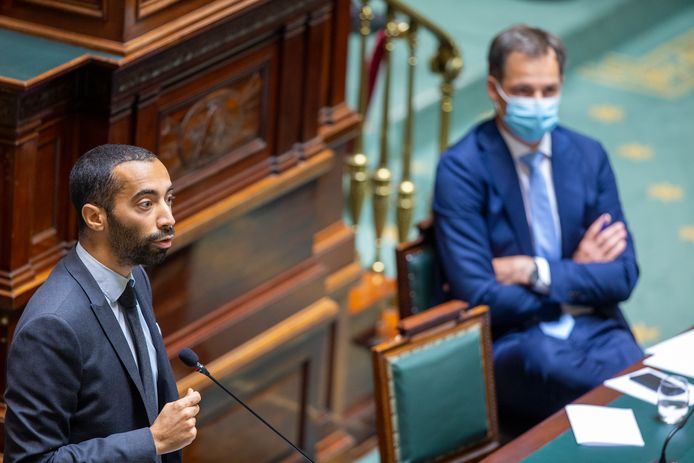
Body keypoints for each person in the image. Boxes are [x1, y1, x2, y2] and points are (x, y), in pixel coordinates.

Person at [433, 25, 643, 423]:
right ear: (495, 90)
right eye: (525, 91)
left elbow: (623, 275)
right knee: (627, 388)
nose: (539, 102)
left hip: (594, 326)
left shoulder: (588, 155)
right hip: (515, 341)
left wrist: (535, 271)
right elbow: (479, 296)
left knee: (633, 365)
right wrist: (577, 274)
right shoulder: (461, 169)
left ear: (562, 84)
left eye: (549, 91)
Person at [5, 145, 201, 462]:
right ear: (95, 217)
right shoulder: (52, 326)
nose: (168, 218)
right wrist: (153, 441)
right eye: (146, 204)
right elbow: (32, 460)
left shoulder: (135, 276)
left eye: (169, 199)